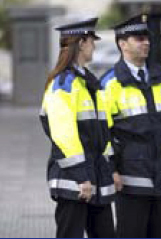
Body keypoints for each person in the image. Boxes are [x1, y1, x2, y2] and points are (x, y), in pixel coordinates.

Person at [100, 14, 161, 238]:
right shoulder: (110, 83)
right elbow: (103, 131)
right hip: (131, 177)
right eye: (139, 38)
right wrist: (111, 169)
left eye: (147, 38)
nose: (146, 42)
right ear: (122, 44)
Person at [39, 18, 116, 238]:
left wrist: (109, 168)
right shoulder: (64, 84)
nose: (94, 46)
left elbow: (103, 131)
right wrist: (81, 177)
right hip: (75, 178)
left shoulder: (89, 82)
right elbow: (64, 134)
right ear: (82, 42)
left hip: (96, 175)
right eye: (92, 40)